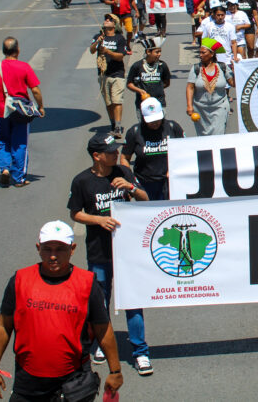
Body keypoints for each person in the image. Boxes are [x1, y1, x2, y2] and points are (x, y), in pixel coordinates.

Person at [0, 220, 122, 401]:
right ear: (38, 248)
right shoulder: (20, 280)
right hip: (28, 381)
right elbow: (3, 325)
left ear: (72, 249)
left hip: (73, 381)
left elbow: (103, 329)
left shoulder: (87, 283)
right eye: (47, 249)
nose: (53, 256)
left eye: (60, 249)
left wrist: (115, 371)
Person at [68, 134, 152, 375]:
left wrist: (132, 188)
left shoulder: (123, 172)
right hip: (99, 252)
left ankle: (140, 352)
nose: (116, 154)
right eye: (111, 151)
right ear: (96, 156)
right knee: (100, 302)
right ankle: (103, 344)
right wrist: (98, 220)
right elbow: (75, 213)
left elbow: (145, 198)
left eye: (116, 150)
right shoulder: (82, 181)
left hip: (127, 251)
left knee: (133, 301)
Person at [0, 37, 44, 188]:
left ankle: (4, 169)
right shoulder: (24, 67)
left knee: (3, 141)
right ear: (18, 50)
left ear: (3, 51)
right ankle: (19, 178)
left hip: (1, 111)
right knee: (20, 144)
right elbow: (35, 90)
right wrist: (40, 106)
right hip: (20, 112)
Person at [120, 97, 184, 201]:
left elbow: (185, 152)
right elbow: (124, 158)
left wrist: (175, 169)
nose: (155, 123)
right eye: (151, 120)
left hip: (170, 182)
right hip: (145, 183)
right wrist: (130, 180)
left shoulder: (173, 127)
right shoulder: (134, 132)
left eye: (157, 119)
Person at [185, 39, 235, 136]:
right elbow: (190, 87)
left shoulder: (222, 67)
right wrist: (189, 106)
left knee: (218, 135)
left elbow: (233, 83)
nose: (200, 55)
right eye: (199, 52)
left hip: (220, 107)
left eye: (203, 53)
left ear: (212, 54)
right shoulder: (196, 69)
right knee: (203, 137)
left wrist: (235, 71)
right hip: (200, 109)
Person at [90, 19, 129, 137]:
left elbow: (120, 56)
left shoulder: (120, 38)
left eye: (110, 19)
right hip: (103, 74)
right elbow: (92, 50)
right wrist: (97, 42)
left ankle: (118, 127)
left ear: (115, 24)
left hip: (117, 73)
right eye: (105, 19)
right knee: (109, 102)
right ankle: (113, 123)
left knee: (117, 100)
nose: (106, 20)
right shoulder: (98, 36)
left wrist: (107, 51)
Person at [125, 38, 171, 122]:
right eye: (157, 52)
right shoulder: (137, 66)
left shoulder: (162, 65)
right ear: (148, 52)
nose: (159, 54)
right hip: (142, 103)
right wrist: (140, 90)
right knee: (144, 127)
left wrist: (158, 88)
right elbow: (129, 84)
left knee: (160, 125)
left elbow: (167, 82)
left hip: (159, 102)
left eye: (160, 52)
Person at [195, 0, 238, 66]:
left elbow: (234, 42)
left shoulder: (230, 26)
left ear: (225, 15)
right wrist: (203, 55)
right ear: (214, 15)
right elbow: (204, 41)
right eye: (218, 15)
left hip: (226, 58)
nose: (220, 17)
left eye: (222, 15)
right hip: (212, 58)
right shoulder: (208, 25)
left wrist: (235, 56)